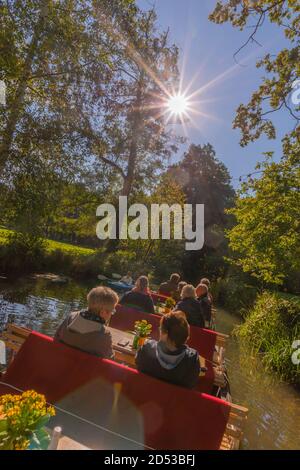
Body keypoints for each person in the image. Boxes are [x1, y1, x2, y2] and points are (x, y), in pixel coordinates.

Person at [136, 311, 200, 389]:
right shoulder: (192, 360)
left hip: (141, 398)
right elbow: (191, 385)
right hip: (172, 400)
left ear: (165, 334)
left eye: (160, 328)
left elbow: (137, 365)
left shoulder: (147, 349)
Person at [54, 286, 118, 358]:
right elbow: (109, 360)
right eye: (112, 311)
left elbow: (56, 338)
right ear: (103, 312)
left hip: (59, 363)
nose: (111, 314)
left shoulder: (70, 317)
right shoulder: (104, 335)